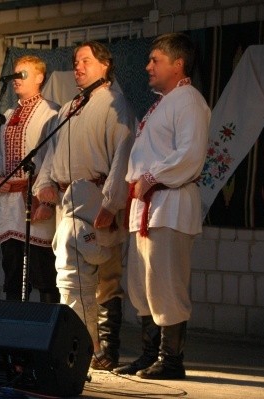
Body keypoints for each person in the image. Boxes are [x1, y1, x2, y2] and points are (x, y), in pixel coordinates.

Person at [114, 32, 210, 380]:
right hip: (147, 205)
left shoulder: (189, 101)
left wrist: (152, 178)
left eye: (155, 59)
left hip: (169, 203)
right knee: (142, 284)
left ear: (178, 63)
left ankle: (172, 361)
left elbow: (190, 154)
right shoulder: (162, 103)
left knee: (166, 283)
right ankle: (149, 353)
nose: (148, 66)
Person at [33, 41, 134, 364]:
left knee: (106, 277)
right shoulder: (69, 108)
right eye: (76, 62)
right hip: (68, 202)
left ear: (105, 65)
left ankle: (106, 349)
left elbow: (124, 154)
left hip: (96, 198)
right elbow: (53, 152)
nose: (78, 67)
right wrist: (45, 185)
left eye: (85, 61)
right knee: (70, 277)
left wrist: (112, 203)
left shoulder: (115, 105)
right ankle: (80, 343)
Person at [0, 55, 60, 303]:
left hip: (34, 199)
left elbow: (53, 156)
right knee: (12, 272)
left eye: (23, 74)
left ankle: (45, 330)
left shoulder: (51, 112)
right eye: (15, 75)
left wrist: (46, 199)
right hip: (10, 204)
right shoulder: (9, 114)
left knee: (43, 271)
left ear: (40, 78)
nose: (16, 80)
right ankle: (14, 328)